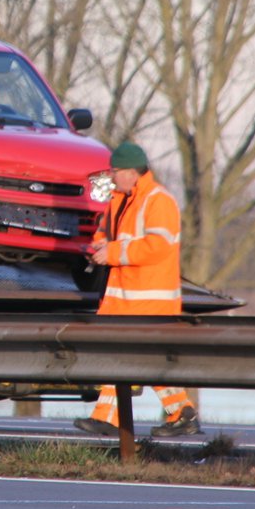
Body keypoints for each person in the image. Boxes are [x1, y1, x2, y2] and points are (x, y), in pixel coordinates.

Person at [73, 141, 200, 439]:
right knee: (129, 358)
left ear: (131, 172)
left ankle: (116, 417)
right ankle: (178, 413)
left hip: (149, 300)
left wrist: (113, 253)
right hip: (125, 299)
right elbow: (105, 234)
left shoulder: (159, 201)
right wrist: (98, 247)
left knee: (133, 358)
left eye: (115, 171)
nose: (112, 176)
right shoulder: (119, 199)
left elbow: (157, 247)